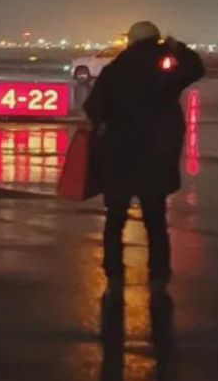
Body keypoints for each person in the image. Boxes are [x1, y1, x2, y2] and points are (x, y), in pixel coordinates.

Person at [84, 21, 204, 302]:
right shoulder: (167, 66)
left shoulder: (115, 69)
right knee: (155, 221)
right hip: (156, 156)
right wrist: (179, 48)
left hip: (119, 155)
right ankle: (158, 277)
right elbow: (196, 69)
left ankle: (114, 275)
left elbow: (93, 107)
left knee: (115, 220)